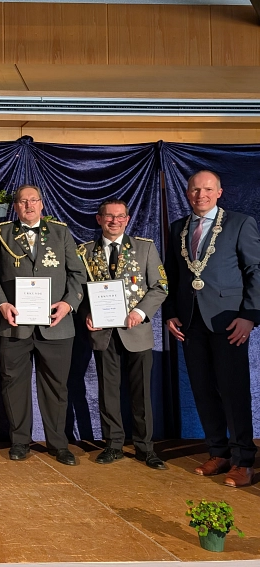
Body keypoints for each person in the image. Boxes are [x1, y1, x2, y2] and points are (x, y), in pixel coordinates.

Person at [164, 170, 260, 487]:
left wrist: (250, 315)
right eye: (195, 189)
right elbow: (173, 278)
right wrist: (171, 313)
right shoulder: (178, 228)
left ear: (220, 192)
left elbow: (255, 271)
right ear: (188, 193)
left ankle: (244, 460)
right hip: (191, 323)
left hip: (229, 321)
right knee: (203, 391)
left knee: (233, 392)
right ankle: (218, 453)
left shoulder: (240, 223)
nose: (200, 194)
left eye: (207, 189)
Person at [0, 184, 87, 465]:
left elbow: (78, 273)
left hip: (56, 324)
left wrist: (68, 304)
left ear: (42, 204)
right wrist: (2, 304)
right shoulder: (0, 234)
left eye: (33, 200)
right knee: (13, 384)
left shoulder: (61, 232)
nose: (28, 205)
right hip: (13, 323)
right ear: (15, 206)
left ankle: (58, 444)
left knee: (56, 387)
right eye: (22, 201)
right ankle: (19, 441)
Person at [79, 198, 168, 470]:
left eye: (120, 216)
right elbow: (78, 291)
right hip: (103, 334)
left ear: (127, 219)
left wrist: (139, 313)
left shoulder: (145, 248)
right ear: (99, 218)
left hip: (137, 332)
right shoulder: (83, 252)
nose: (114, 221)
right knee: (108, 393)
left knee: (141, 393)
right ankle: (113, 444)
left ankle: (145, 448)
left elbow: (161, 286)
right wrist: (86, 314)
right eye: (108, 216)